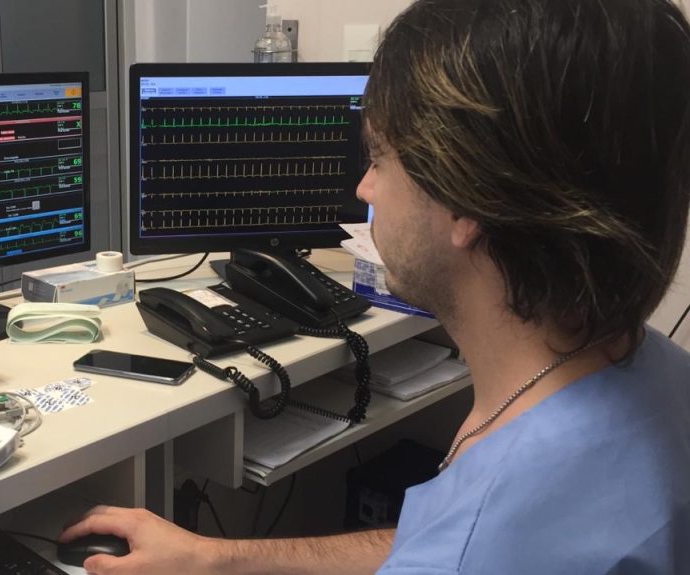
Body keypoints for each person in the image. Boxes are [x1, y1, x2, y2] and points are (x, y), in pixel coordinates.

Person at [59, 0, 690, 572]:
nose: (364, 188)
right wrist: (218, 557)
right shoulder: (653, 374)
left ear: (467, 201)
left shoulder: (485, 540)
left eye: (381, 158)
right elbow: (434, 542)